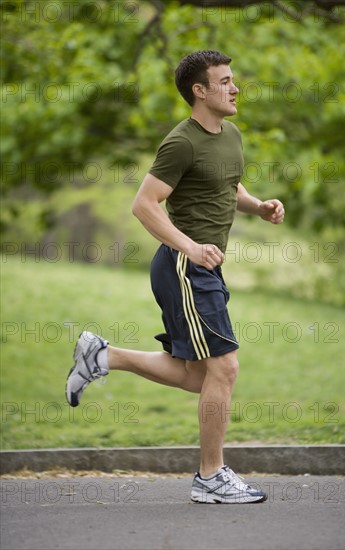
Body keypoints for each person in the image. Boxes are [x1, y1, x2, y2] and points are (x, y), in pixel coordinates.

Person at [66, 50, 285, 504]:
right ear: (199, 91)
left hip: (203, 267)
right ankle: (210, 477)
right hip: (186, 267)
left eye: (233, 79)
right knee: (225, 367)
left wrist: (259, 205)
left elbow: (229, 185)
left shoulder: (231, 134)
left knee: (197, 375)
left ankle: (104, 356)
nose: (235, 88)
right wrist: (190, 248)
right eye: (224, 81)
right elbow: (145, 204)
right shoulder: (180, 142)